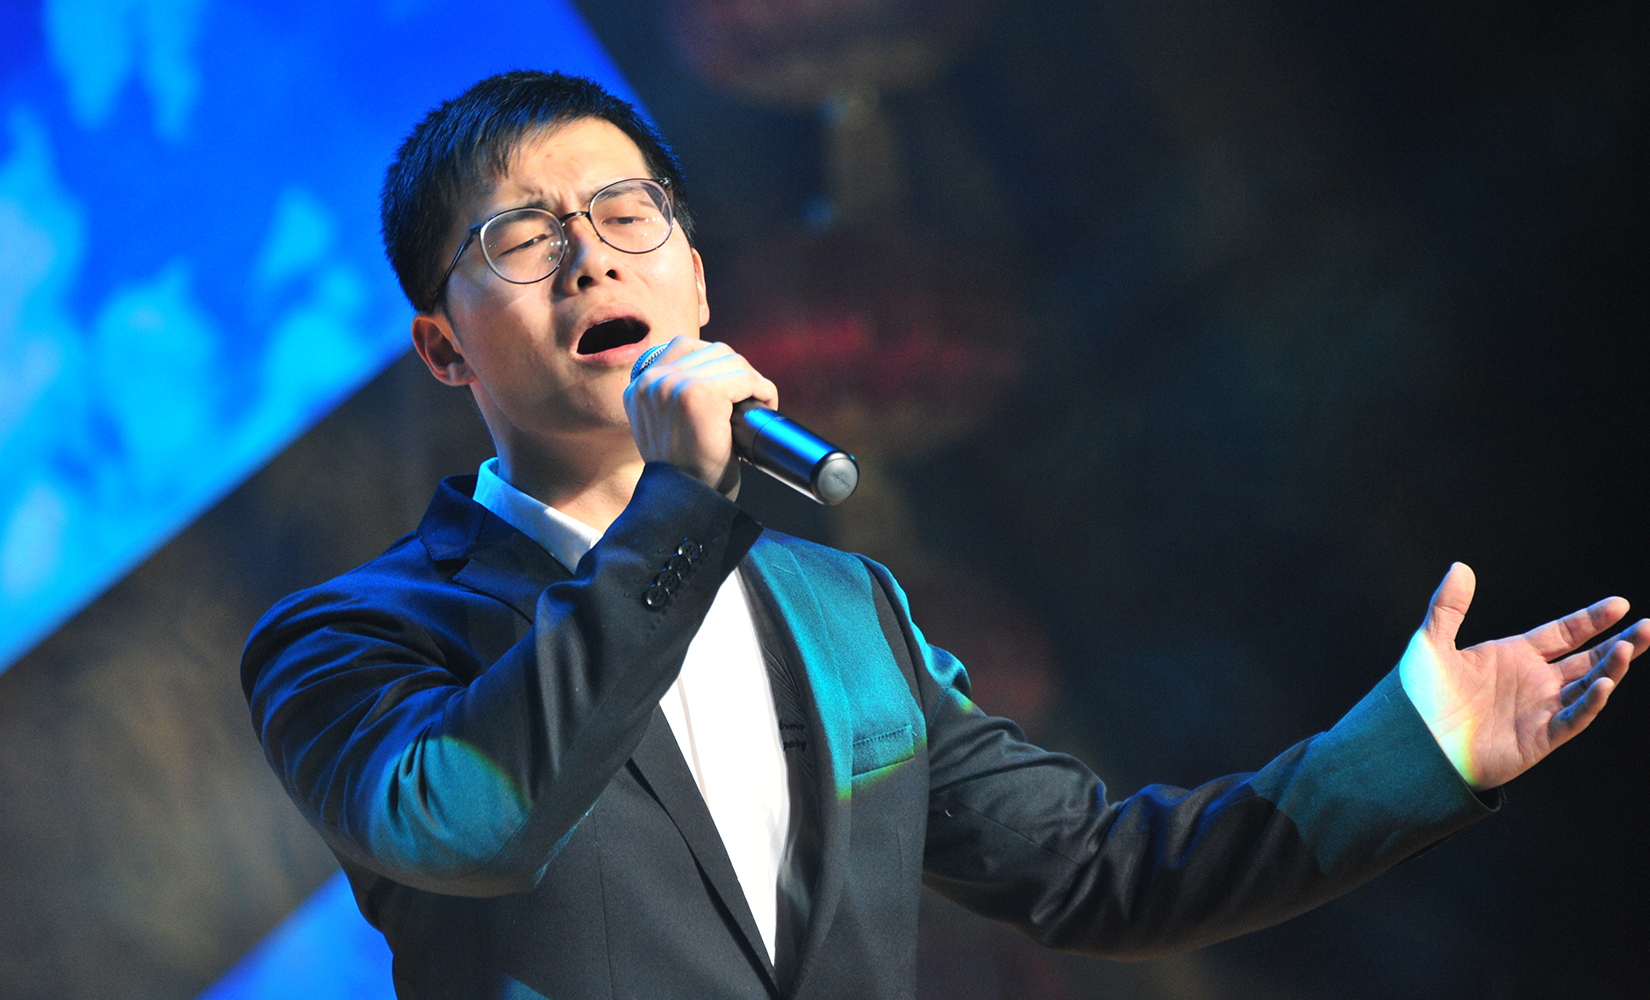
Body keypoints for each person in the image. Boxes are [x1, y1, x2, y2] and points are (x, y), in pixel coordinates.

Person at [241, 70, 1644, 1000]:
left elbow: (1096, 876)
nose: (593, 255)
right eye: (523, 237)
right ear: (442, 347)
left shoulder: (841, 607)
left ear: (697, 277)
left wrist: (1416, 748)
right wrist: (679, 503)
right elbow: (470, 823)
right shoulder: (348, 639)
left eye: (625, 215)